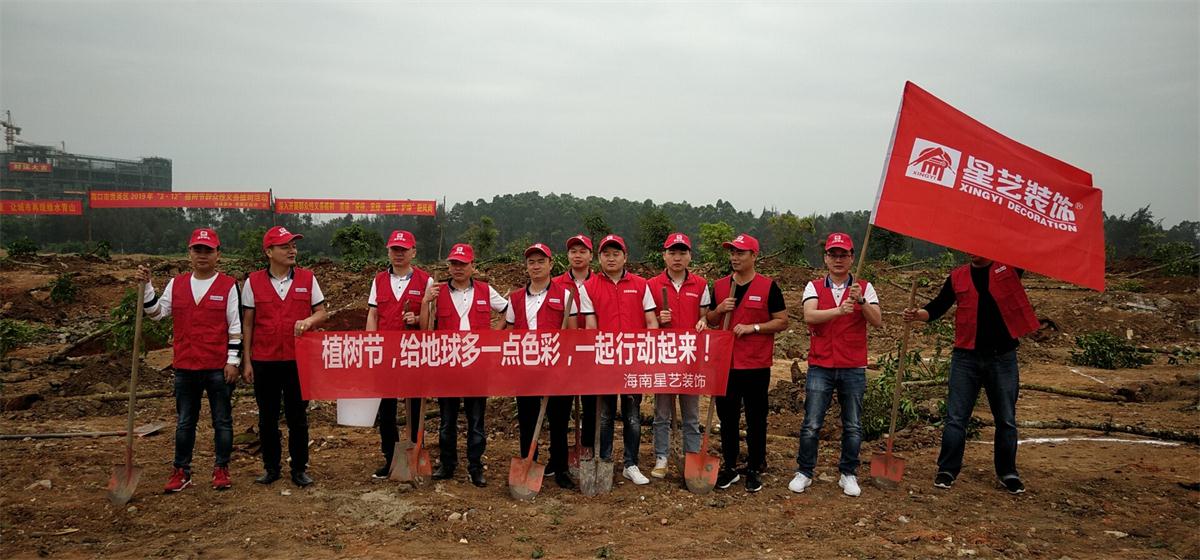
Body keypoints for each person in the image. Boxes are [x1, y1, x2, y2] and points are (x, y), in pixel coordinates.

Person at [904, 255, 1039, 494]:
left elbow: (1023, 248)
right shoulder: (957, 277)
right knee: (956, 418)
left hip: (1002, 357)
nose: (973, 251)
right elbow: (938, 306)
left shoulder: (1009, 267)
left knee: (1006, 419)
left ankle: (1008, 472)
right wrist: (917, 315)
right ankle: (947, 470)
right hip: (966, 358)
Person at [137, 228, 241, 493]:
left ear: (218, 254)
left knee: (222, 421)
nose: (202, 255)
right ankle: (181, 471)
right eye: (198, 250)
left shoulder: (228, 285)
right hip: (185, 365)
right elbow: (156, 313)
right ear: (190, 253)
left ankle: (221, 468)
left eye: (208, 250)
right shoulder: (177, 284)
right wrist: (147, 286)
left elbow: (235, 326)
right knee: (185, 422)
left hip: (218, 366)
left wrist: (233, 361)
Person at [789, 232, 882, 497]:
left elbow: (877, 320)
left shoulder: (865, 287)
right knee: (812, 423)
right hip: (821, 364)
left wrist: (861, 301)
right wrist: (838, 311)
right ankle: (805, 471)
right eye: (833, 255)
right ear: (826, 258)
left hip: (853, 365)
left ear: (852, 258)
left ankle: (848, 473)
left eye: (843, 255)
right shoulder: (814, 287)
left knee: (852, 424)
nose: (838, 259)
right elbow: (810, 315)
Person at [241, 226, 328, 487]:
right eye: (285, 246)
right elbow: (248, 323)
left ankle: (299, 468)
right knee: (267, 418)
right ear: (269, 252)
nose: (292, 251)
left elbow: (321, 312)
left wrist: (309, 320)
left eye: (293, 246)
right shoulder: (253, 282)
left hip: (297, 359)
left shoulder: (307, 278)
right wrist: (247, 360)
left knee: (297, 417)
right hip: (264, 359)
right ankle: (271, 467)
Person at [419, 243, 508, 487]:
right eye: (454, 264)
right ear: (448, 266)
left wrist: (494, 334)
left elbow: (508, 311)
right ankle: (447, 464)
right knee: (447, 420)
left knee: (476, 420)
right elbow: (425, 326)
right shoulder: (437, 292)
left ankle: (475, 466)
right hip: (447, 365)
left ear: (472, 266)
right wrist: (426, 302)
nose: (457, 268)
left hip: (477, 366)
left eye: (463, 264)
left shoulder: (486, 291)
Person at [706, 233, 788, 493]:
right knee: (727, 417)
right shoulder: (720, 286)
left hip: (755, 364)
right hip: (726, 364)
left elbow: (782, 321)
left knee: (756, 418)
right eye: (732, 252)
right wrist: (720, 309)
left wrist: (754, 327)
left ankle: (754, 466)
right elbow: (710, 320)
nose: (735, 257)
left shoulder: (768, 287)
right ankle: (730, 466)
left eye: (740, 253)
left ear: (754, 256)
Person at [505, 243, 589, 490]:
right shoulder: (516, 298)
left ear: (551, 264)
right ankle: (529, 462)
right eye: (531, 262)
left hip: (557, 370)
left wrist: (565, 360)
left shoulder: (565, 295)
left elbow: (572, 334)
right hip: (526, 370)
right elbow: (510, 332)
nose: (536, 266)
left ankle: (560, 468)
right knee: (528, 419)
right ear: (526, 266)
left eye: (541, 261)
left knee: (559, 421)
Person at [584, 234, 658, 485]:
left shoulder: (641, 285)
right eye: (606, 254)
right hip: (605, 361)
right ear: (599, 258)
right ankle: (604, 461)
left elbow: (651, 322)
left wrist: (649, 354)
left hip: (633, 361)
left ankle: (630, 464)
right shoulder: (589, 287)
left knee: (632, 416)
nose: (611, 258)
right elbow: (591, 327)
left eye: (616, 254)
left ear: (625, 257)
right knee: (605, 416)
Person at [365, 230, 433, 479]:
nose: (399, 254)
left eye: (404, 249)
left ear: (413, 252)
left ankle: (415, 454)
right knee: (387, 410)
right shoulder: (379, 280)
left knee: (415, 406)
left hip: (413, 354)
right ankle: (390, 458)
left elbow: (429, 322)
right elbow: (373, 315)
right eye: (395, 249)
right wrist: (370, 345)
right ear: (388, 252)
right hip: (385, 354)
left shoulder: (425, 281)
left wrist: (416, 318)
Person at [645, 232, 710, 479]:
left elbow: (705, 315)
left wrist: (704, 321)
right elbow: (645, 320)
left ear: (690, 256)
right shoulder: (652, 285)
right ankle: (661, 457)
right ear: (664, 256)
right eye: (672, 252)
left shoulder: (700, 285)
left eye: (682, 252)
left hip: (690, 358)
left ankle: (692, 457)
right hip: (663, 357)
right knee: (661, 413)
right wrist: (658, 319)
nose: (677, 257)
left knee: (691, 414)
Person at [553, 234, 598, 462]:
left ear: (591, 255)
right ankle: (558, 456)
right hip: (564, 355)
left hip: (592, 353)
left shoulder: (600, 283)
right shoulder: (556, 284)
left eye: (582, 251)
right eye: (573, 251)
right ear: (567, 255)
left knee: (591, 404)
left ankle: (588, 449)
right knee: (561, 406)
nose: (577, 256)